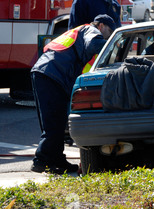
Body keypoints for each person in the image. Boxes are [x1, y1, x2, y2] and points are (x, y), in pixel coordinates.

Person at [31, 15, 116, 174]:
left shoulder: (79, 30)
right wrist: (114, 48)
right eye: (110, 32)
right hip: (53, 74)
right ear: (102, 26)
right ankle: (41, 160)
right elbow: (95, 44)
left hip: (45, 72)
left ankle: (56, 160)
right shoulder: (91, 30)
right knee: (54, 122)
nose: (109, 36)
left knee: (55, 120)